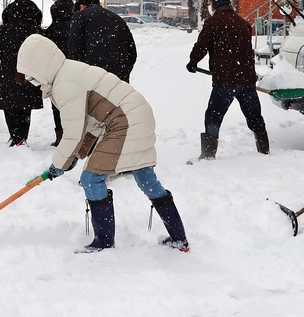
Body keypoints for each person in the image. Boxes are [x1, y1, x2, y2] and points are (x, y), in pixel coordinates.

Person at [17, 34, 189, 253]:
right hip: (137, 115)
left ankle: (104, 242)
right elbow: (89, 126)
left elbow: (72, 132)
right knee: (146, 178)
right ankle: (178, 238)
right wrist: (74, 157)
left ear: (40, 67)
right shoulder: (69, 71)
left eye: (32, 78)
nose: (34, 84)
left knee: (90, 179)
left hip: (125, 122)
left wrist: (58, 165)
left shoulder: (64, 83)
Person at [186, 0, 268, 159]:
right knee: (254, 115)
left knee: (213, 116)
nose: (210, 7)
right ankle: (264, 150)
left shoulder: (213, 23)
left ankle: (208, 154)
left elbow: (202, 46)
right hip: (246, 80)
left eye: (210, 3)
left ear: (216, 3)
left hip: (225, 81)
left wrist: (193, 61)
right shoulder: (243, 23)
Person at [0, 0, 43, 146]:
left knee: (9, 107)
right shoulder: (36, 31)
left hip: (8, 74)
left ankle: (16, 136)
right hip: (29, 74)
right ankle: (22, 137)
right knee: (26, 107)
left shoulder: (2, 31)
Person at [66, 0, 137, 82]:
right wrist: (123, 70)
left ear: (82, 6)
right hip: (119, 74)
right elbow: (131, 51)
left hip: (93, 74)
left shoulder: (80, 16)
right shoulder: (116, 18)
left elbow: (75, 48)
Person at [41, 0, 74, 145]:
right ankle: (75, 134)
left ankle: (60, 135)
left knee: (57, 106)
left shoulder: (50, 31)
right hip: (76, 71)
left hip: (56, 73)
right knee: (76, 105)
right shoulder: (77, 27)